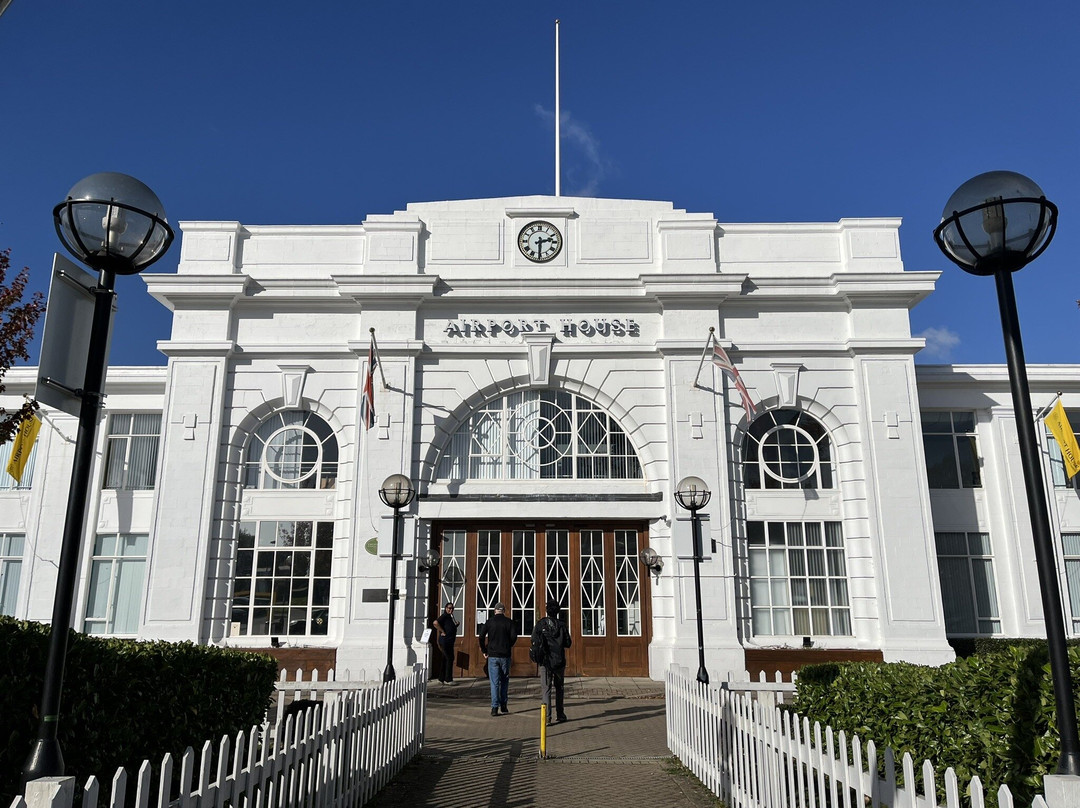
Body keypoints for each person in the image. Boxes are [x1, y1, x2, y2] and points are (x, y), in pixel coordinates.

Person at [531, 599, 572, 724]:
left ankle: (547, 717)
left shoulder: (540, 624)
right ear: (558, 611)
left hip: (545, 661)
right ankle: (560, 714)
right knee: (559, 688)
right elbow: (568, 643)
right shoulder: (562, 625)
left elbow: (534, 640)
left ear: (547, 610)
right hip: (559, 660)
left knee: (546, 688)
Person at [478, 601, 518, 716]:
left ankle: (494, 707)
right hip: (505, 655)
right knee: (504, 681)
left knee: (494, 682)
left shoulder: (490, 622)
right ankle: (504, 705)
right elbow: (514, 636)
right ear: (503, 611)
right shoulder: (509, 622)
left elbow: (481, 636)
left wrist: (484, 650)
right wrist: (508, 645)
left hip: (493, 655)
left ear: (495, 611)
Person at [432, 601, 459, 683]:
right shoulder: (444, 616)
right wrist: (442, 631)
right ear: (446, 609)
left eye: (452, 608)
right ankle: (448, 679)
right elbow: (435, 623)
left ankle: (441, 678)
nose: (451, 610)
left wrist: (456, 626)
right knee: (450, 658)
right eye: (449, 608)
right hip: (445, 641)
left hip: (449, 641)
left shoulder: (450, 617)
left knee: (445, 658)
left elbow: (449, 627)